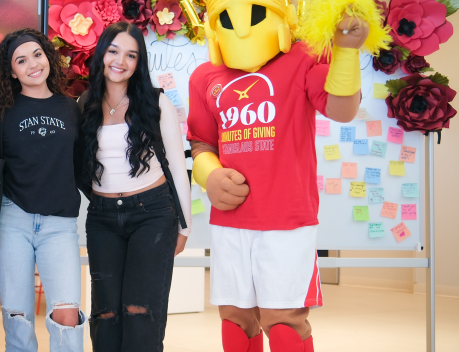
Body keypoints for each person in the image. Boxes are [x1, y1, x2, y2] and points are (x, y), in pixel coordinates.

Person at [182, 0, 369, 351]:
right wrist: (210, 176)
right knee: (235, 322)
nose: (240, 28)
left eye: (254, 13)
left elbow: (341, 109)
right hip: (231, 222)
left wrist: (345, 53)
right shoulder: (205, 77)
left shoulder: (302, 59)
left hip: (287, 220)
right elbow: (201, 142)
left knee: (284, 322)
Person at [74, 21, 193, 351]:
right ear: (102, 54)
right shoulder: (84, 104)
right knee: (107, 313)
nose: (120, 61)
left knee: (141, 312)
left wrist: (185, 227)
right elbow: (79, 165)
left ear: (139, 63)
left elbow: (177, 166)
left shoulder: (156, 103)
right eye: (113, 51)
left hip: (153, 214)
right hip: (102, 218)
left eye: (131, 55)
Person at [0, 28, 86, 352]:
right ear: (11, 71)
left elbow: (82, 167)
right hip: (12, 221)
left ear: (48, 58)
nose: (32, 64)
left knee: (67, 315)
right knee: (17, 317)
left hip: (60, 226)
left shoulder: (72, 109)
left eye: (37, 54)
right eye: (21, 60)